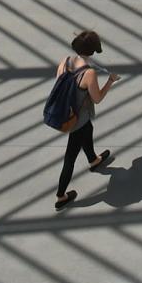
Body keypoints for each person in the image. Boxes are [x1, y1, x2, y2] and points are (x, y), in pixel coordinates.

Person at [53, 29, 118, 211]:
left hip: (66, 111)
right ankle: (61, 196)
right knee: (70, 157)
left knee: (88, 130)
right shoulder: (89, 73)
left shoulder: (65, 62)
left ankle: (94, 160)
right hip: (77, 120)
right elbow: (96, 98)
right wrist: (110, 81)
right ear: (93, 50)